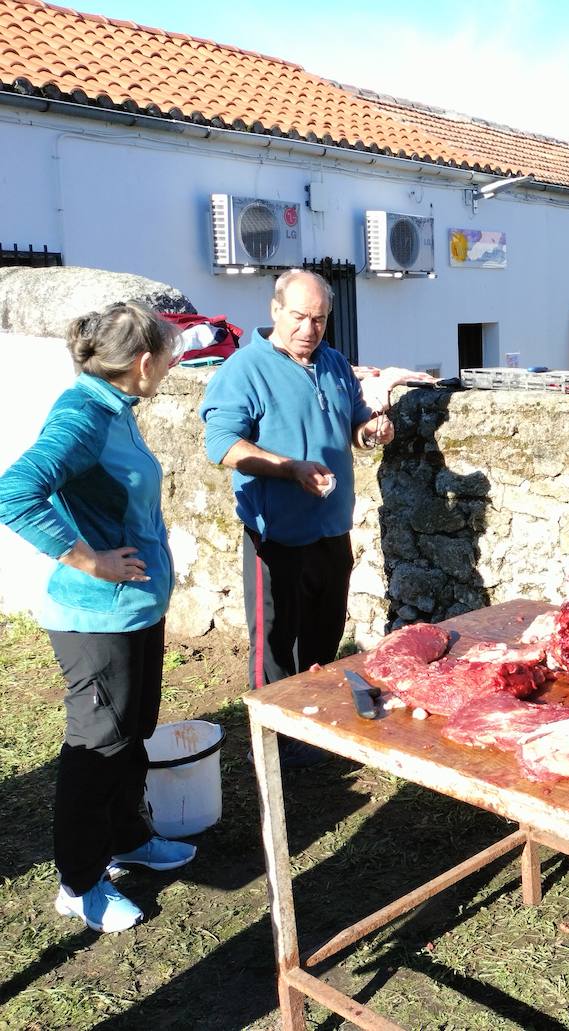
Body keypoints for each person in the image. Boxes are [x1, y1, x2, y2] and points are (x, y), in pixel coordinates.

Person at [0, 302, 194, 933]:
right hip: (94, 619)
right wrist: (89, 560)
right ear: (143, 363)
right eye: (167, 356)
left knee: (133, 729)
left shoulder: (116, 409)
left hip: (136, 610)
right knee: (97, 748)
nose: (171, 366)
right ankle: (80, 883)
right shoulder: (82, 417)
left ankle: (128, 837)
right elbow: (14, 492)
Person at [199, 270, 393, 766]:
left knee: (325, 635)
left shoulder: (332, 363)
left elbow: (352, 420)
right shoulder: (244, 368)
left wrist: (372, 430)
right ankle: (272, 745)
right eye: (299, 317)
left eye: (320, 319)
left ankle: (314, 729)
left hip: (332, 529)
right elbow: (221, 446)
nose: (310, 329)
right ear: (274, 310)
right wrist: (289, 469)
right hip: (276, 535)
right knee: (274, 644)